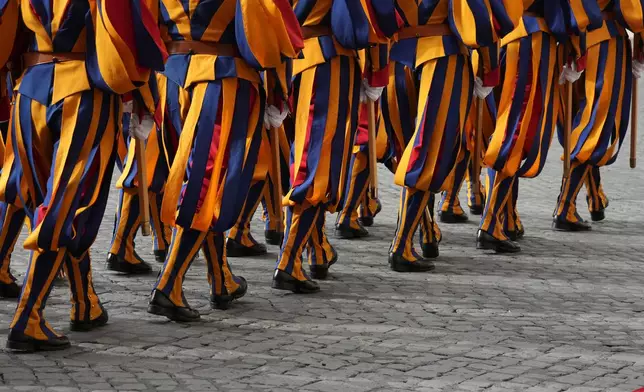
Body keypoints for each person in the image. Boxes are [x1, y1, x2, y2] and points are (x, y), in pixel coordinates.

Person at [0, 0, 167, 352]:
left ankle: (84, 301)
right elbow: (124, 33)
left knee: (49, 204)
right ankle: (29, 317)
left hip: (30, 89)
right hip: (83, 93)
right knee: (68, 206)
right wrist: (143, 96)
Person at [148, 0, 304, 320]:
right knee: (206, 185)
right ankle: (170, 284)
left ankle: (220, 279)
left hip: (172, 77)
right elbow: (268, 22)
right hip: (221, 78)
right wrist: (277, 90)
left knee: (206, 183)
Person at [272, 0, 400, 292]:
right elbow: (376, 13)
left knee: (309, 159)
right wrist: (377, 69)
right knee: (318, 166)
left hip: (294, 60)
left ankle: (317, 248)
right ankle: (288, 261)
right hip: (329, 60)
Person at [389, 0, 522, 270]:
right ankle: (402, 244)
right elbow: (480, 15)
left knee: (411, 150)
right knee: (429, 152)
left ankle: (425, 232)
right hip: (442, 53)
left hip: (395, 55)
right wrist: (488, 65)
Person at [553, 1, 635, 231]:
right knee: (596, 125)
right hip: (605, 39)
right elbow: (632, 12)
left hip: (566, 40)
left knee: (580, 123)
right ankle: (565, 206)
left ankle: (594, 196)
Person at [107, 81, 172, 274]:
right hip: (153, 86)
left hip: (149, 86)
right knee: (143, 171)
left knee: (156, 172)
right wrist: (146, 102)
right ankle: (121, 247)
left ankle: (162, 239)